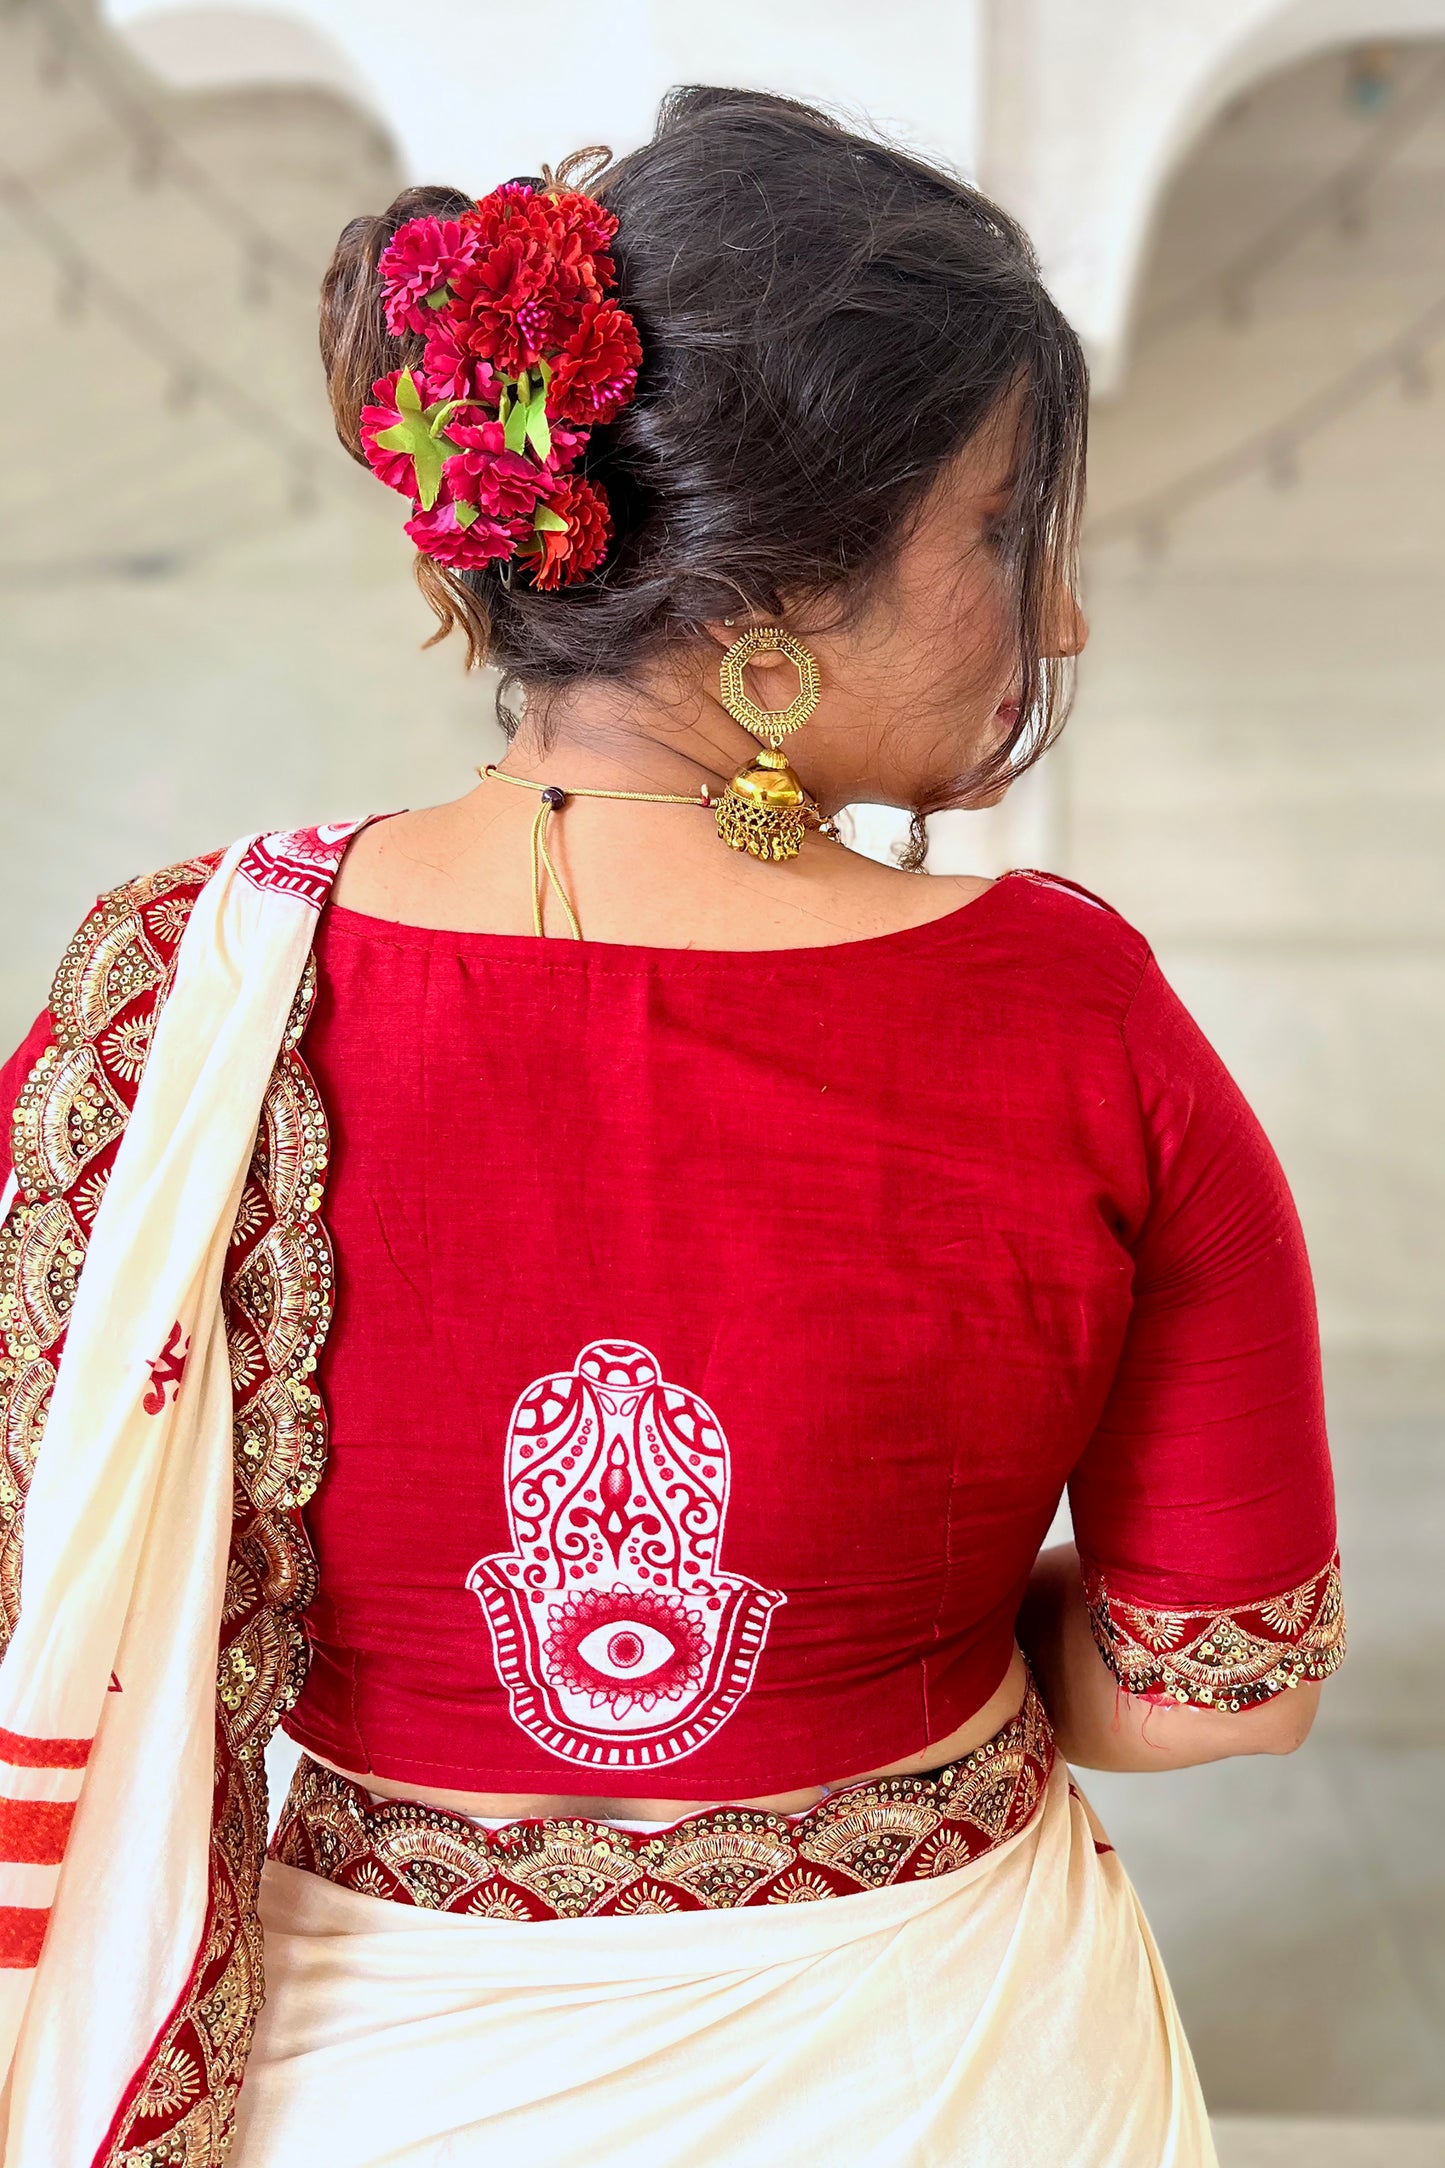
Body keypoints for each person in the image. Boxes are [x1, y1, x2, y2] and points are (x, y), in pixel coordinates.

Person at [0, 87, 1343, 2168]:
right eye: (1000, 532)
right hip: (948, 2070)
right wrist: (878, 1627)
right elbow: (1216, 1682)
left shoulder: (173, 991)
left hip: (375, 2091)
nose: (1054, 619)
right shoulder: (1077, 1020)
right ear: (775, 605)